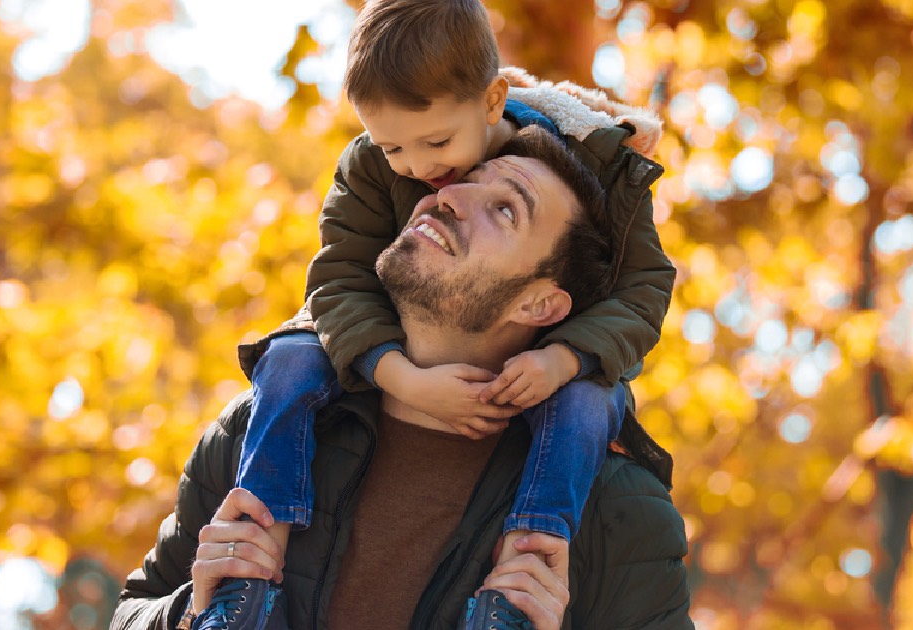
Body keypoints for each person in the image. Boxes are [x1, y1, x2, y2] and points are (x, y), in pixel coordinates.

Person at [111, 127, 691, 629]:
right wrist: (188, 611)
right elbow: (133, 609)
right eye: (467, 178)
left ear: (540, 305)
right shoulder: (264, 426)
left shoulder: (614, 506)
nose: (452, 196)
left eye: (506, 209)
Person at [216, 0, 676, 625]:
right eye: (394, 148)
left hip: (566, 367)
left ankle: (529, 564)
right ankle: (256, 542)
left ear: (493, 102)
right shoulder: (238, 434)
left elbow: (646, 290)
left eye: (436, 143)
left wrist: (567, 356)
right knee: (289, 357)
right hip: (363, 346)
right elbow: (336, 277)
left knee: (586, 403)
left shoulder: (600, 169)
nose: (427, 174)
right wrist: (397, 375)